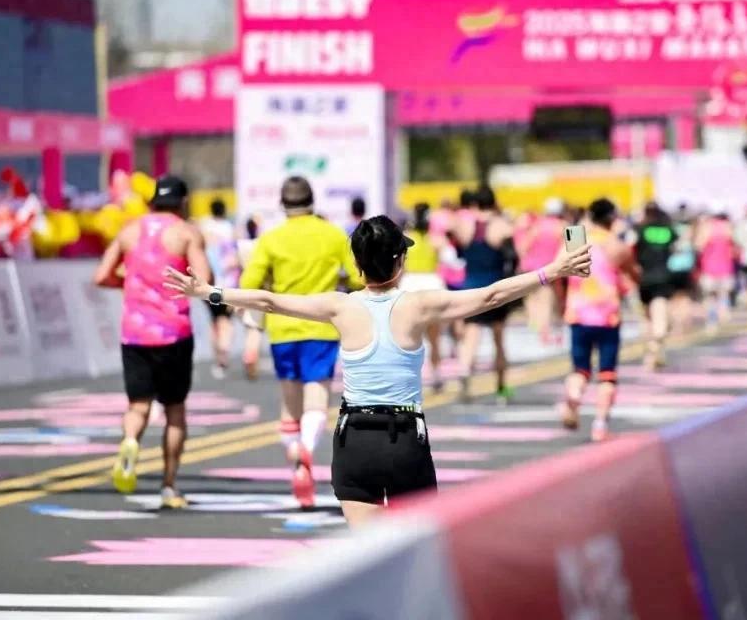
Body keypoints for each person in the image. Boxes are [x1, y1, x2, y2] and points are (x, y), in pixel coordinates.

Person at [163, 215, 592, 526]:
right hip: (404, 440)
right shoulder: (418, 305)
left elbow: (269, 301)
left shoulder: (340, 306)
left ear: (357, 264)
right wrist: (553, 271)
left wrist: (209, 292)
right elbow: (490, 296)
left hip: (354, 442)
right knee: (411, 556)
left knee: (367, 558)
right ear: (399, 261)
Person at [239, 177, 363, 508]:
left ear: (282, 204)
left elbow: (249, 283)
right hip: (321, 326)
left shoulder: (271, 239)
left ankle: (295, 454)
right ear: (312, 201)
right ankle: (306, 448)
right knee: (316, 400)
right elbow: (356, 276)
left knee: (289, 404)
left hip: (282, 328)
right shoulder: (333, 235)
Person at [93, 175, 210, 510]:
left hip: (134, 333)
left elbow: (101, 276)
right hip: (173, 333)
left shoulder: (129, 230)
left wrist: (132, 284)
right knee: (174, 411)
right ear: (182, 202)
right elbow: (205, 281)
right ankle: (169, 485)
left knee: (138, 406)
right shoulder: (186, 233)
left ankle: (131, 440)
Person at [560, 199, 636, 441]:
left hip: (578, 312)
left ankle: (574, 394)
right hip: (607, 315)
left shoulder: (575, 238)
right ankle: (600, 425)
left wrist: (561, 300)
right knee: (607, 374)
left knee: (579, 369)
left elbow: (557, 270)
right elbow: (634, 273)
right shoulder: (616, 244)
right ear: (612, 219)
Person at [455, 186, 518, 403]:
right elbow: (513, 258)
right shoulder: (502, 226)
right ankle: (501, 386)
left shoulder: (464, 225)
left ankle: (465, 373)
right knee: (498, 339)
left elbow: (458, 252)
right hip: (495, 286)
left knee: (471, 336)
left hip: (471, 285)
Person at [400, 203, 446, 389]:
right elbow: (449, 259)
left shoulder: (407, 238)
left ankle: (409, 375)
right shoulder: (436, 240)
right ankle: (436, 374)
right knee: (434, 336)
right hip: (431, 283)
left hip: (410, 284)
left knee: (408, 335)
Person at [198, 197, 239, 379]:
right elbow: (236, 257)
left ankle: (218, 358)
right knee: (226, 321)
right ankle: (224, 354)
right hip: (228, 284)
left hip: (209, 283)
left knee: (214, 321)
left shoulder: (204, 228)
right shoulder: (231, 229)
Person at [515, 197, 565, 345]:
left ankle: (535, 325)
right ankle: (545, 331)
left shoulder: (537, 226)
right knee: (547, 301)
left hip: (531, 267)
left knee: (532, 298)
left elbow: (524, 247)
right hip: (550, 268)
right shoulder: (562, 226)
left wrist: (522, 262)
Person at [633, 202, 675, 371]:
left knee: (646, 318)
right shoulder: (668, 230)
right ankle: (657, 347)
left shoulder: (640, 230)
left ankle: (651, 353)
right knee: (660, 318)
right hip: (663, 276)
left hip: (643, 278)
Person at [696, 207, 736, 333]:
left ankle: (712, 322)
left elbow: (699, 246)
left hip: (709, 267)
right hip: (726, 267)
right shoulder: (728, 227)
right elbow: (734, 247)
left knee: (710, 297)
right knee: (723, 294)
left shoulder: (706, 227)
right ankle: (723, 314)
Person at [237, 216, 265, 381]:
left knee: (250, 327)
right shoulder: (261, 244)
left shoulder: (241, 245)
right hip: (261, 290)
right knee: (256, 329)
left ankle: (250, 356)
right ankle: (251, 357)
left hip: (245, 288)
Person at [666, 204, 698, 334]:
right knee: (685, 296)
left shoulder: (672, 230)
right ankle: (685, 323)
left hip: (672, 267)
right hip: (686, 266)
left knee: (674, 297)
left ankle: (677, 324)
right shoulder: (691, 230)